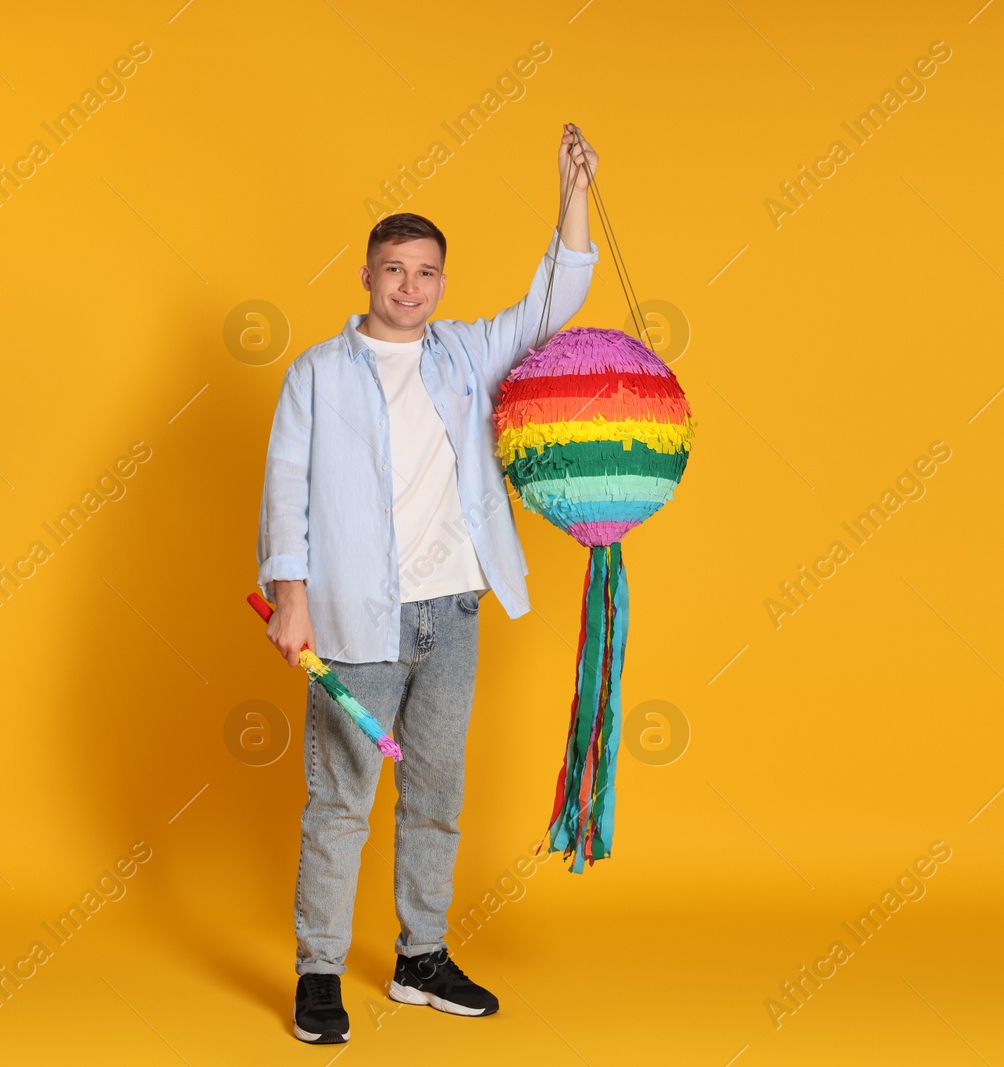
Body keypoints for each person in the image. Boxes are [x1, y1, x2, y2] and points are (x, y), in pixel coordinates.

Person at [256, 123, 599, 1045]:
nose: (410, 287)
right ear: (368, 275)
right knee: (340, 798)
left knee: (437, 793)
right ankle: (319, 969)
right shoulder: (318, 374)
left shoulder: (464, 354)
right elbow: (285, 489)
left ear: (441, 283)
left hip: (452, 609)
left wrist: (572, 189)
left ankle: (421, 958)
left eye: (426, 273)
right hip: (352, 617)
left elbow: (550, 300)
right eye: (394, 270)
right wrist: (289, 596)